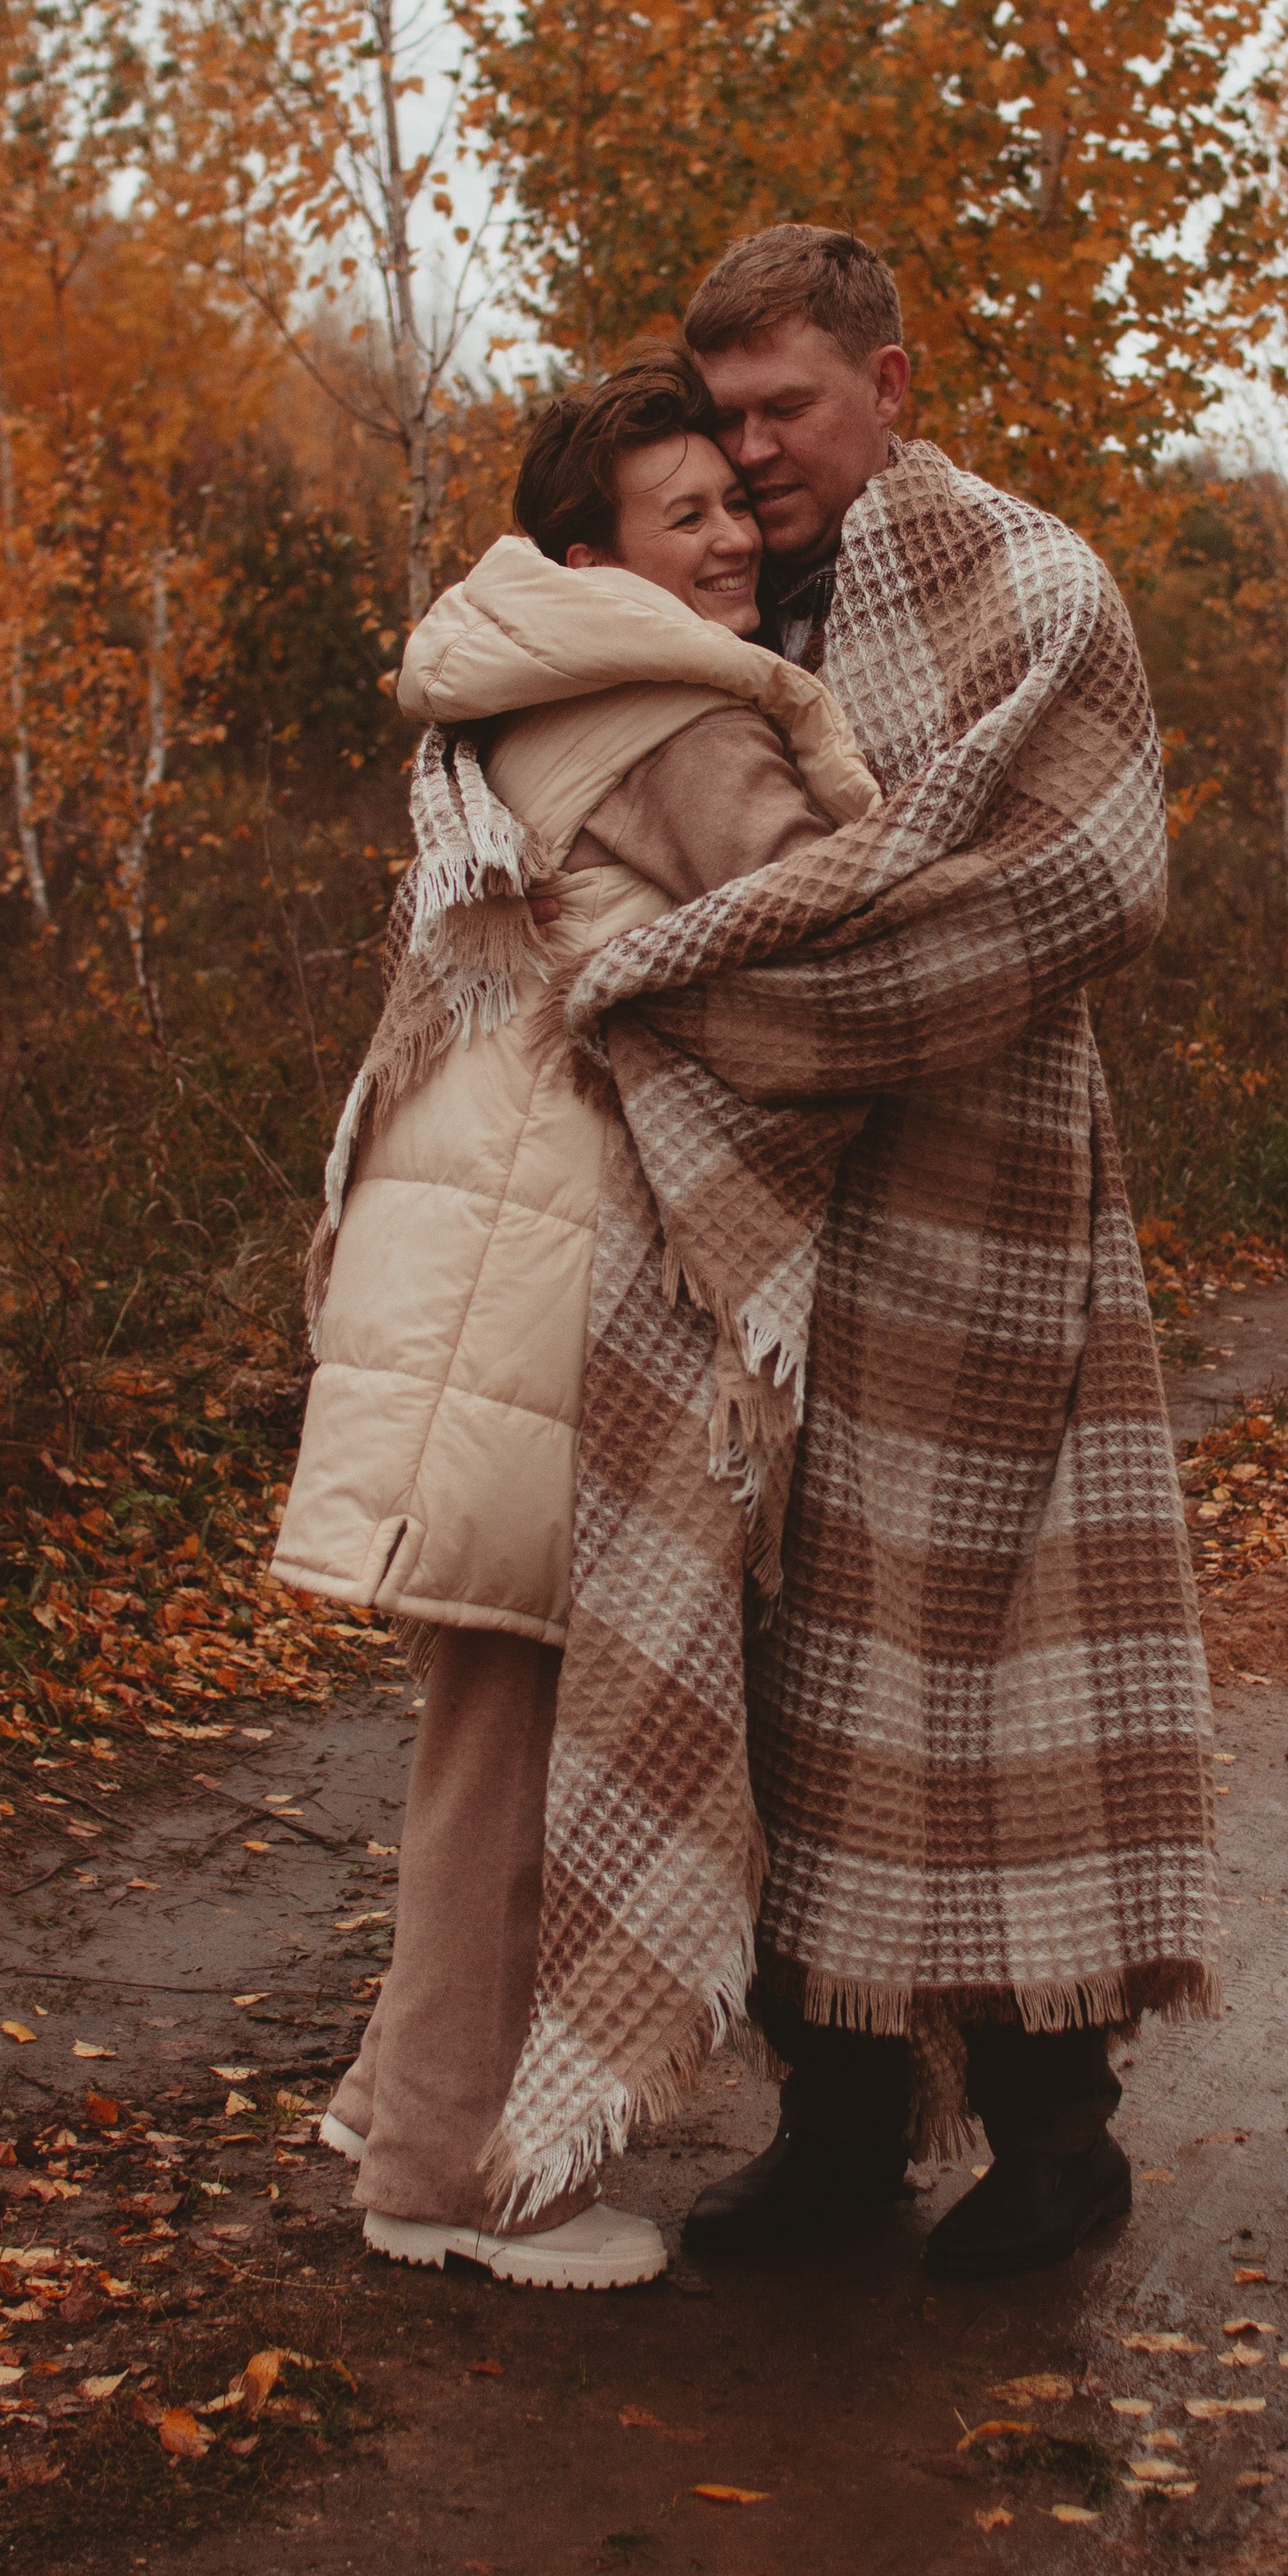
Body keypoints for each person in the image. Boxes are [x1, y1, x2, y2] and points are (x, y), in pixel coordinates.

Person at [459, 224, 1220, 2286]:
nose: (750, 453)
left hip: (992, 1224)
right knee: (796, 1687)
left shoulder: (1030, 586)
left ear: (887, 384)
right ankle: (840, 2128)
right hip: (774, 1260)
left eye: (783, 408)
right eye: (722, 421)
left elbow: (1062, 883)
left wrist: (683, 995)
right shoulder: (727, 604)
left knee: (999, 1687)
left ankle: (1059, 2143)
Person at [270, 348, 878, 2288]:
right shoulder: (671, 714)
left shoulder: (528, 682)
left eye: (735, 505)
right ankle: (458, 2176)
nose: (733, 541)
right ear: (588, 555)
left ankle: (405, 2092)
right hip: (556, 1282)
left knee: (492, 1719)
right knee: (530, 1739)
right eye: (682, 515)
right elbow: (842, 933)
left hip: (482, 1257)